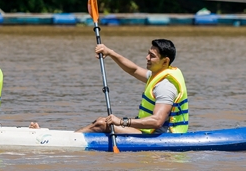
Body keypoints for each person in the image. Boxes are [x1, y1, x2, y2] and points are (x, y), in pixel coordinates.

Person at [31, 39, 189, 134]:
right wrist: (110, 53)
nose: (146, 57)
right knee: (102, 121)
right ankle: (67, 137)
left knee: (102, 124)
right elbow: (133, 69)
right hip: (150, 131)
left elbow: (156, 121)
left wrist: (122, 122)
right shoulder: (157, 74)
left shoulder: (165, 86)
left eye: (152, 56)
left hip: (159, 135)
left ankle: (64, 141)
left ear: (165, 61)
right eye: (148, 53)